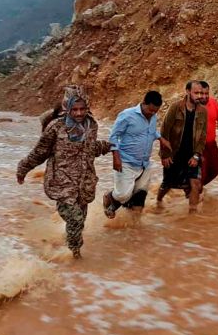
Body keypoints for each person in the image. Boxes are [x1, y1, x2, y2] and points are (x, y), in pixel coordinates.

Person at [16, 85, 111, 259]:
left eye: (82, 108)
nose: (79, 113)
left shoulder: (91, 125)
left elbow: (90, 149)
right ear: (67, 107)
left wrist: (107, 146)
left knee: (80, 221)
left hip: (84, 182)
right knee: (75, 218)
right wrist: (23, 168)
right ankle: (74, 255)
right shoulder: (55, 127)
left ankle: (69, 243)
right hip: (62, 182)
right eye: (74, 109)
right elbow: (40, 152)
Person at [102, 91, 170, 218]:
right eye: (150, 110)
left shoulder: (153, 116)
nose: (152, 114)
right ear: (143, 103)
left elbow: (150, 131)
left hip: (144, 164)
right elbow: (113, 136)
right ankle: (109, 196)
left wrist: (160, 138)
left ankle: (132, 228)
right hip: (126, 162)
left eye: (155, 111)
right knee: (123, 195)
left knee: (139, 196)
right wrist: (116, 157)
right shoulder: (127, 115)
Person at [156, 81, 208, 213]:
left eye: (201, 93)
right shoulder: (175, 107)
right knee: (167, 184)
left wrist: (197, 155)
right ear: (188, 91)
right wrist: (165, 154)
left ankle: (192, 215)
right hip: (174, 153)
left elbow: (202, 136)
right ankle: (158, 201)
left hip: (192, 154)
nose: (199, 96)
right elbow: (164, 130)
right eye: (196, 93)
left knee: (195, 183)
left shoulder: (203, 111)